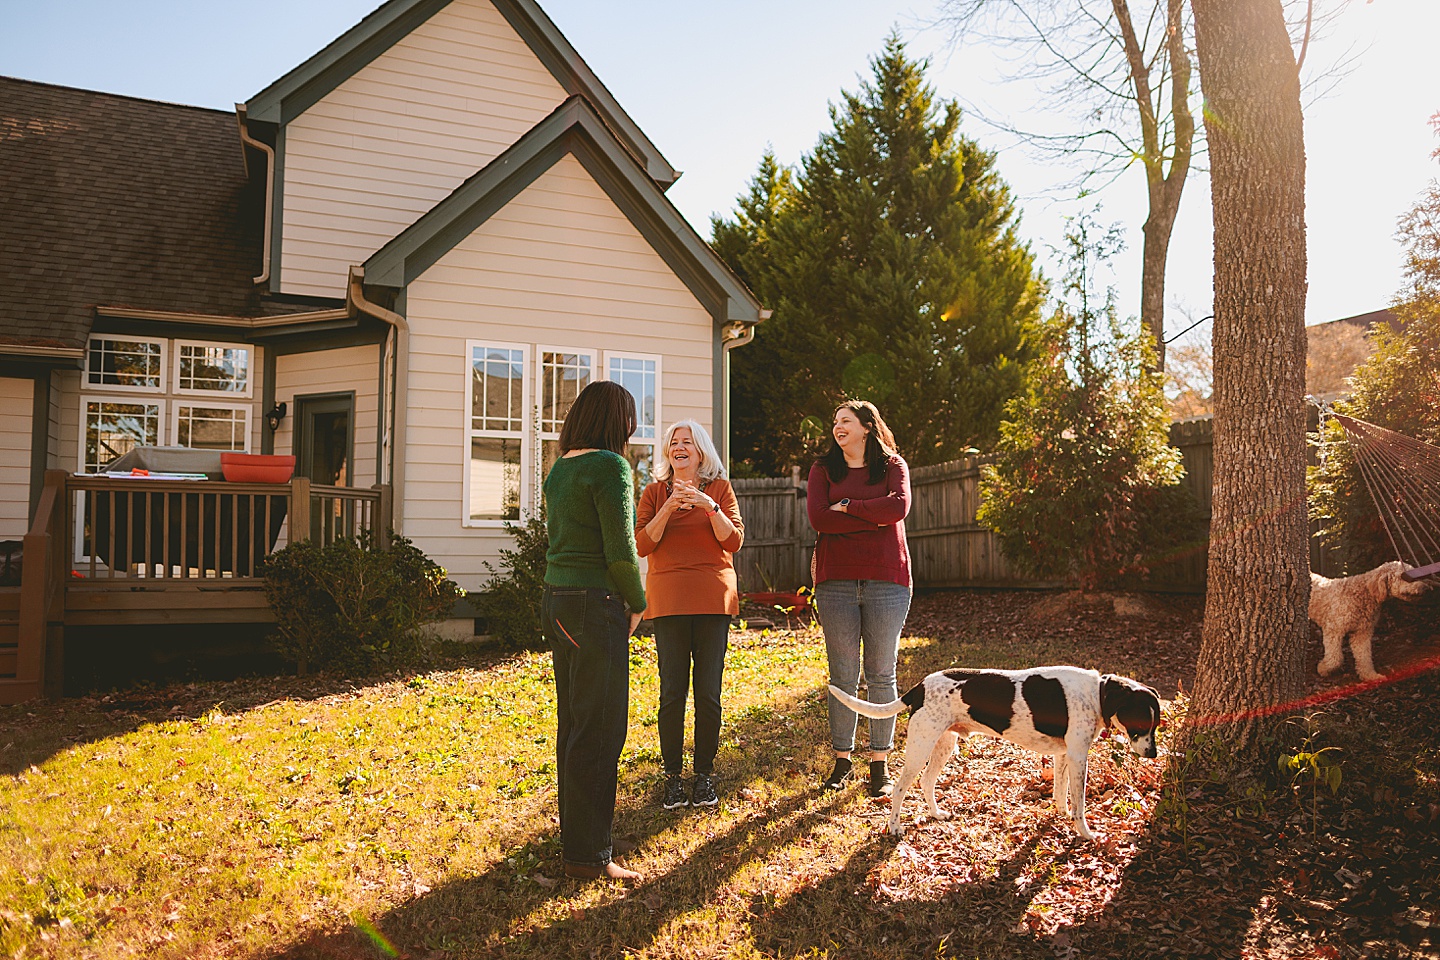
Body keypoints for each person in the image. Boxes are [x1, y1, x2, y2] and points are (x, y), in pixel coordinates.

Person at [541, 380, 647, 882]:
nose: (634, 424)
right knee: (602, 727)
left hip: (557, 601)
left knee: (576, 725)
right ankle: (588, 857)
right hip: (594, 604)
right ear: (615, 420)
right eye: (630, 415)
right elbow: (621, 551)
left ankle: (588, 835)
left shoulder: (560, 468)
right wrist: (639, 602)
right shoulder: (610, 467)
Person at [635, 419, 744, 810]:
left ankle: (705, 775)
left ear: (700, 451)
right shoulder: (652, 493)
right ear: (668, 453)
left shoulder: (720, 489)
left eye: (688, 442)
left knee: (709, 694)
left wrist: (707, 505)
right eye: (674, 442)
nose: (680, 447)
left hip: (713, 600)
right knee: (671, 693)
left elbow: (733, 540)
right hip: (669, 603)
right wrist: (668, 507)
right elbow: (643, 544)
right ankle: (672, 778)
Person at [806, 399, 913, 798]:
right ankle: (842, 761)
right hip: (835, 582)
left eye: (845, 421)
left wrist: (849, 507)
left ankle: (879, 765)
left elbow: (898, 508)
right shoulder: (822, 469)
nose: (837, 427)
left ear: (867, 427)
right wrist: (872, 517)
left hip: (887, 580)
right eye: (835, 421)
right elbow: (819, 519)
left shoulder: (893, 466)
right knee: (843, 675)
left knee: (882, 673)